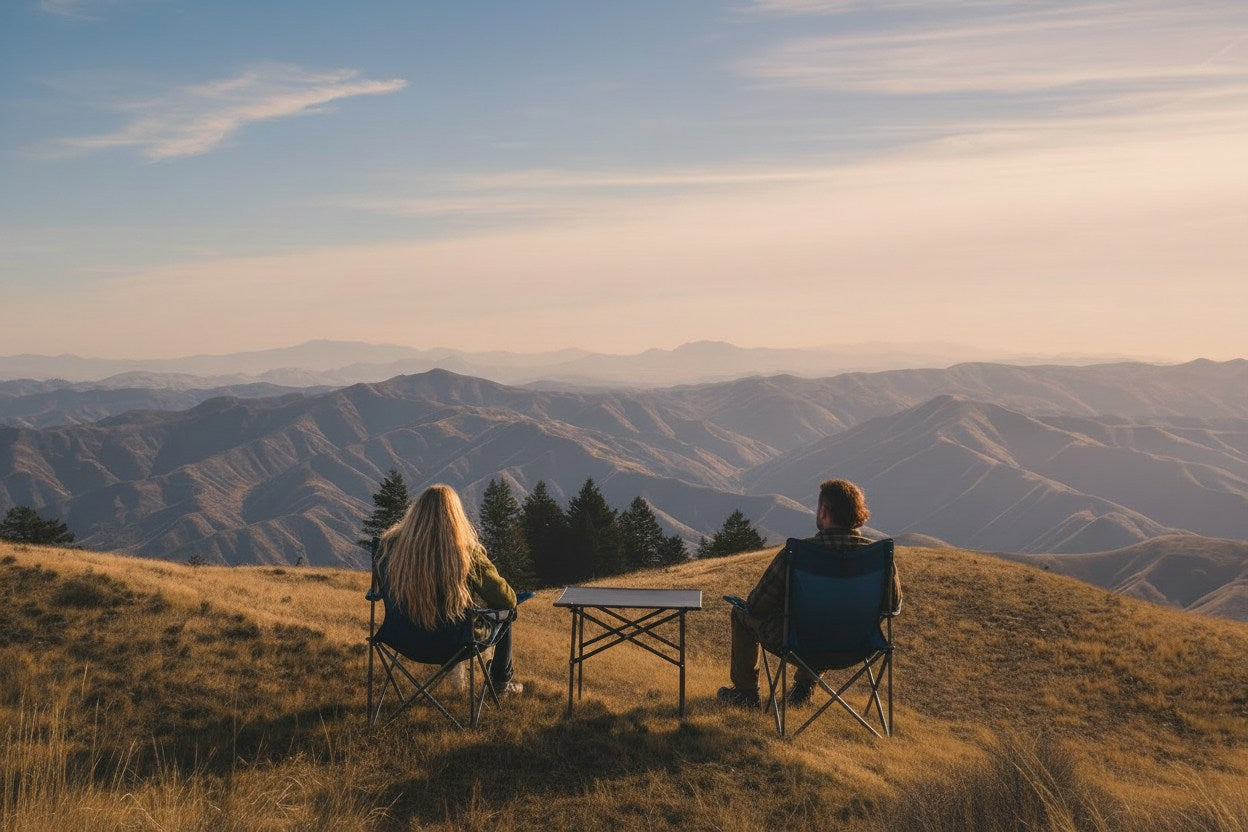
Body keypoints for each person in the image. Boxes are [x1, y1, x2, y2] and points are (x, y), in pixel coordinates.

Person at [716, 479, 901, 708]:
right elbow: (893, 606)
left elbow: (757, 605)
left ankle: (745, 694)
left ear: (824, 512)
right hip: (859, 645)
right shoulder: (880, 557)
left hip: (801, 643)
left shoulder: (799, 554)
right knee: (828, 619)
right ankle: (803, 691)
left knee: (741, 614)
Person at [375, 483, 523, 695]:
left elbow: (379, 590)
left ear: (415, 513)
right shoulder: (465, 553)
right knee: (508, 612)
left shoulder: (390, 549)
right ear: (456, 517)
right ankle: (500, 683)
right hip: (456, 641)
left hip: (403, 639)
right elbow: (506, 599)